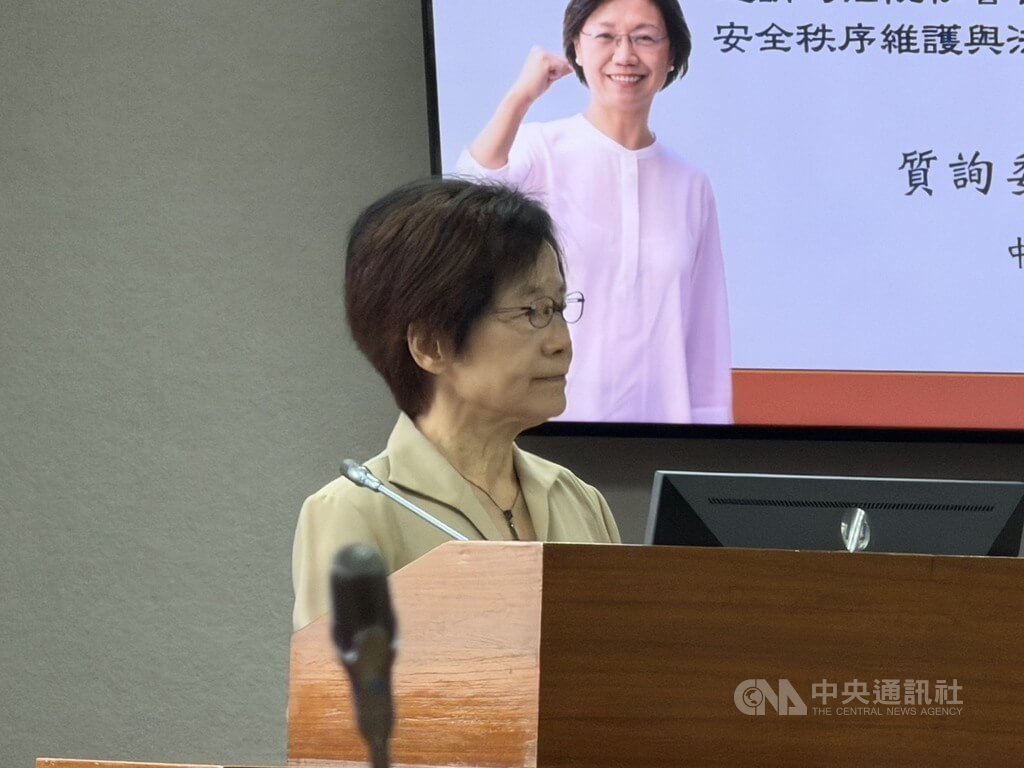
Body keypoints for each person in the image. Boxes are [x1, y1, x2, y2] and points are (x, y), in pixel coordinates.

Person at [291, 178, 621, 631]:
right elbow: (340, 678)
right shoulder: (357, 511)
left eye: (559, 307)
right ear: (430, 344)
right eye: (533, 312)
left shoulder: (579, 501)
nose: (561, 342)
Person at [457, 0, 731, 425]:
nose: (625, 55)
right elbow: (466, 200)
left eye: (644, 38)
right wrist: (520, 97)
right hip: (550, 431)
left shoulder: (691, 185)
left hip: (667, 434)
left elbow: (705, 334)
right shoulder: (539, 151)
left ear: (672, 54)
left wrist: (711, 434)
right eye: (606, 36)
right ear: (576, 48)